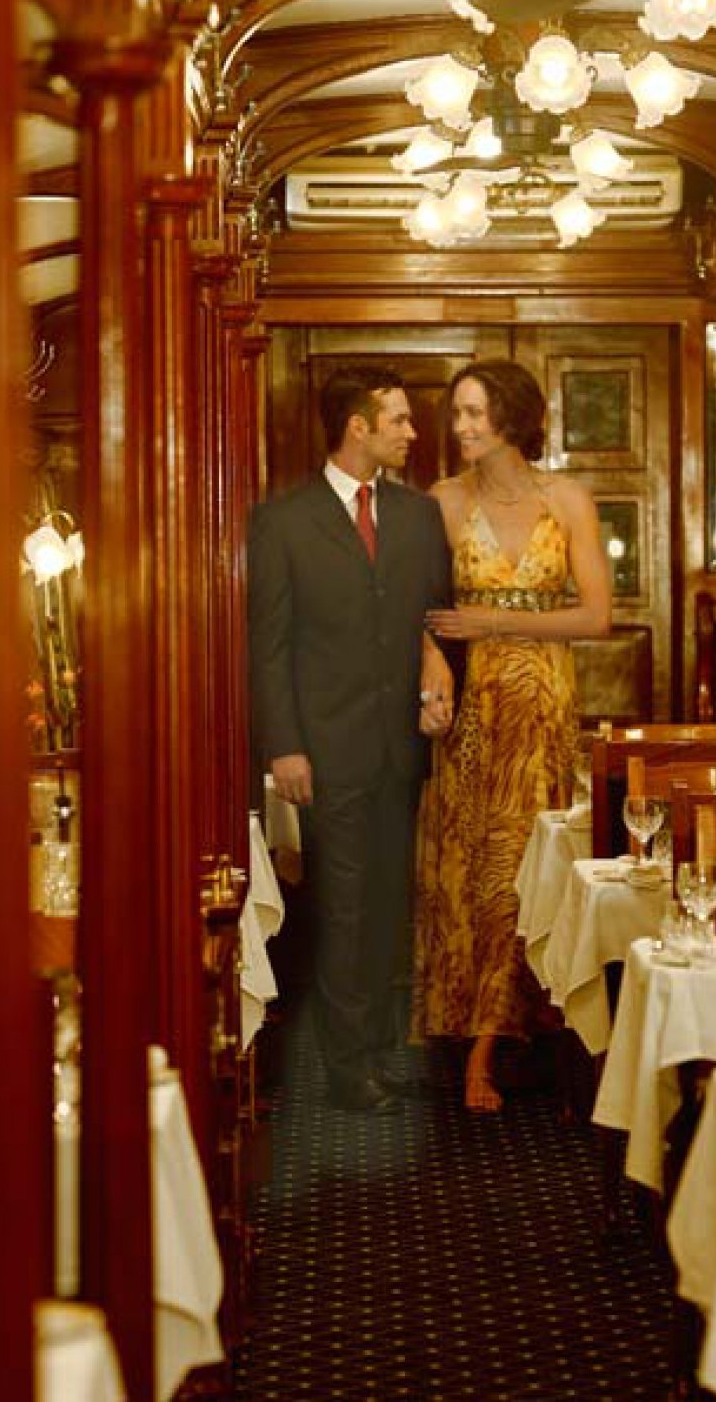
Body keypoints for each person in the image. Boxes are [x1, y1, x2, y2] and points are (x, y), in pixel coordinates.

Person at [248, 366, 455, 1113]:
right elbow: (268, 646)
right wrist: (284, 746)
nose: (412, 432)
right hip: (324, 748)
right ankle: (345, 1067)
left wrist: (438, 676)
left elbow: (437, 620)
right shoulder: (282, 522)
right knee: (341, 906)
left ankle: (370, 1051)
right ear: (357, 427)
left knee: (386, 906)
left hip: (401, 745)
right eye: (398, 419)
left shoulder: (420, 517)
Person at [415, 360, 613, 1112]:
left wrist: (494, 620)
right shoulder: (442, 500)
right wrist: (434, 665)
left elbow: (596, 616)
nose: (461, 426)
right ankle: (473, 1040)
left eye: (475, 413)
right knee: (471, 868)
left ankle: (523, 1032)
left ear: (513, 417)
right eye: (458, 412)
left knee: (526, 865)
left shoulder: (567, 500)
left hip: (542, 707)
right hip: (474, 708)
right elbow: (416, 606)